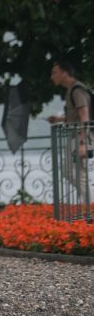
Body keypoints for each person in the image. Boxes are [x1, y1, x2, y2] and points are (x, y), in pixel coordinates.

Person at [47, 59, 92, 209]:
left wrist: (82, 144)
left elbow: (85, 117)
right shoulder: (71, 91)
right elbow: (77, 116)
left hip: (81, 137)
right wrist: (59, 119)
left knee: (79, 175)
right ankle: (88, 207)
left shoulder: (77, 90)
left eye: (54, 73)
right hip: (77, 136)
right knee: (70, 172)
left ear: (65, 73)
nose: (51, 76)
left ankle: (89, 210)